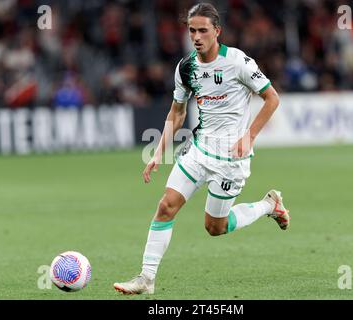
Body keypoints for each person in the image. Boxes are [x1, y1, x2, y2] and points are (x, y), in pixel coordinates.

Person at [114, 3, 290, 295]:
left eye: (203, 30)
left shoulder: (238, 62)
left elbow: (271, 98)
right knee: (165, 206)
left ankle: (268, 205)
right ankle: (146, 279)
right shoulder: (186, 67)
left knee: (215, 228)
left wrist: (249, 136)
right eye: (192, 30)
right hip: (198, 151)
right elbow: (177, 112)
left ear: (217, 31)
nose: (196, 36)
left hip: (231, 160)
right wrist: (159, 153)